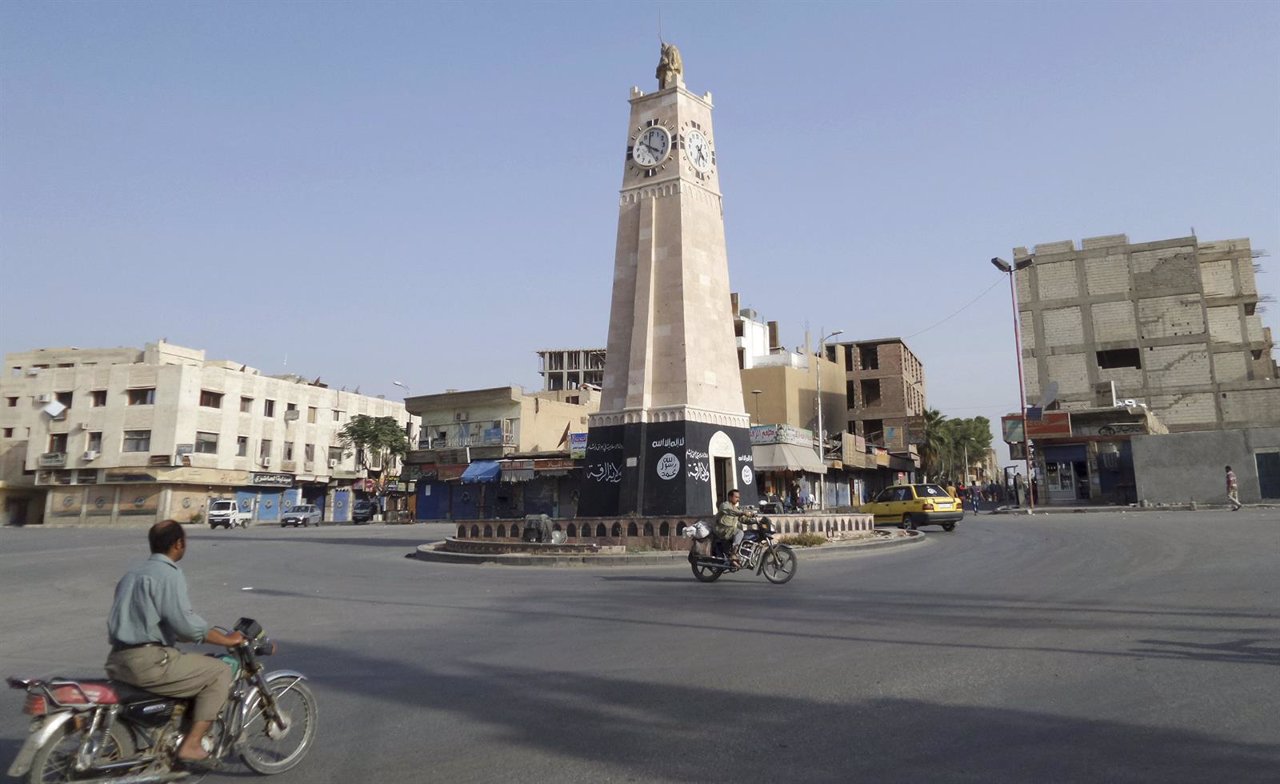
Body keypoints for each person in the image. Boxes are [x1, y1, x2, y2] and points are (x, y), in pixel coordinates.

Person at [105, 520, 246, 769]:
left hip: (118, 660)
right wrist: (227, 639)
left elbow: (157, 623)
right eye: (185, 541)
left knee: (190, 666)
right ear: (178, 544)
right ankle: (191, 745)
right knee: (219, 671)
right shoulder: (168, 574)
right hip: (149, 662)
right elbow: (187, 626)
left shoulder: (131, 575)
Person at [714, 489, 747, 567]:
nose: (738, 499)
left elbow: (743, 519)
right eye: (736, 497)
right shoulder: (724, 505)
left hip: (730, 531)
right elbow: (730, 511)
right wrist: (742, 512)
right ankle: (733, 554)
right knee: (740, 532)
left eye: (738, 497)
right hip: (722, 530)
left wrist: (755, 520)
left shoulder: (736, 509)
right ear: (730, 497)